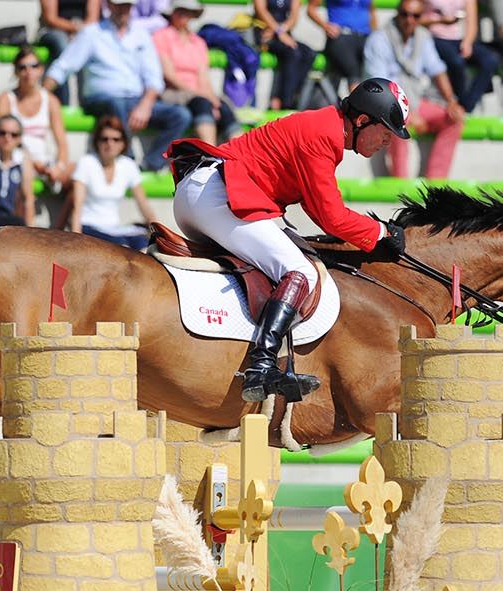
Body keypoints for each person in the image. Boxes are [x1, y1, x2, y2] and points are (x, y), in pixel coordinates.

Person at [168, 78, 409, 402]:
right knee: (301, 272)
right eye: (386, 132)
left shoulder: (324, 127)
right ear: (363, 120)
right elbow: (331, 216)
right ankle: (261, 366)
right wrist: (380, 232)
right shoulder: (323, 134)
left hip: (207, 193)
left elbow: (314, 207)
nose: (388, 141)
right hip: (216, 195)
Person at [44, 0, 192, 173]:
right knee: (116, 104)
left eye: (127, 5)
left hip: (133, 100)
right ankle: (128, 162)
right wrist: (40, 93)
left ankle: (151, 164)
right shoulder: (92, 33)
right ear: (109, 6)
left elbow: (154, 78)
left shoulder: (141, 35)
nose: (124, 9)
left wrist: (145, 105)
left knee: (181, 115)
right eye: (120, 5)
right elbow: (64, 66)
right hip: (101, 99)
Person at [363, 0, 466, 178]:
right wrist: (408, 112)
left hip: (415, 101)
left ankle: (435, 182)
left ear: (421, 17)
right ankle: (400, 181)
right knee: (397, 122)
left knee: (454, 119)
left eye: (415, 16)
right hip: (388, 105)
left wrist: (451, 101)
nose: (409, 20)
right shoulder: (379, 39)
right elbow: (381, 87)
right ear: (397, 14)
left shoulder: (422, 37)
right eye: (405, 14)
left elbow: (437, 70)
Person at [154, 0, 239, 145]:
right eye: (180, 10)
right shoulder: (161, 36)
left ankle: (239, 154)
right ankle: (210, 151)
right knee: (202, 104)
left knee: (223, 108)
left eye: (187, 11)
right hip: (172, 91)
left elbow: (204, 77)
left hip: (197, 93)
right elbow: (169, 75)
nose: (183, 14)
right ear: (172, 13)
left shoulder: (198, 42)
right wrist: (201, 95)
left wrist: (212, 98)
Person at [0, 48, 73, 193]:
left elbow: (62, 144)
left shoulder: (51, 101)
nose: (28, 71)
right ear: (16, 72)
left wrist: (59, 167)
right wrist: (31, 162)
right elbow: (2, 139)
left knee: (80, 173)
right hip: (13, 159)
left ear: (41, 69)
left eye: (34, 66)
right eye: (22, 67)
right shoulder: (5, 99)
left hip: (43, 164)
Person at [70, 116, 157, 249]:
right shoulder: (86, 162)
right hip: (89, 226)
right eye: (104, 139)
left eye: (116, 139)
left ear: (123, 144)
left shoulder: (128, 165)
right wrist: (75, 241)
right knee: (121, 247)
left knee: (145, 246)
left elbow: (143, 203)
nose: (110, 144)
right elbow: (77, 206)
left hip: (115, 228)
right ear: (97, 142)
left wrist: (159, 232)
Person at [421, 0, 503, 111]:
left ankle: (465, 106)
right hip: (434, 38)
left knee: (490, 60)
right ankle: (458, 104)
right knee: (456, 62)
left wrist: (467, 42)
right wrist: (440, 21)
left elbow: (471, 23)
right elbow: (414, 18)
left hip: (458, 40)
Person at [253, 0, 317, 109]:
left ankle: (294, 95)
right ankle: (285, 102)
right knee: (293, 53)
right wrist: (278, 31)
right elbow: (261, 11)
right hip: (265, 34)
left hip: (284, 34)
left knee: (309, 54)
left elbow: (294, 17)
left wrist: (281, 30)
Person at [37, 0, 102, 104]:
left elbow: (93, 18)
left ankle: (87, 103)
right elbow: (51, 18)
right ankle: (61, 103)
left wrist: (81, 34)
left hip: (83, 32)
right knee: (63, 45)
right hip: (54, 31)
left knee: (87, 46)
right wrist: (74, 29)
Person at [308, 0, 378, 90]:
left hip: (365, 36)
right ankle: (357, 97)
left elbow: (371, 10)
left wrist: (375, 33)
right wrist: (326, 26)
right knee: (353, 71)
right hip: (342, 36)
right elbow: (311, 9)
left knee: (376, 70)